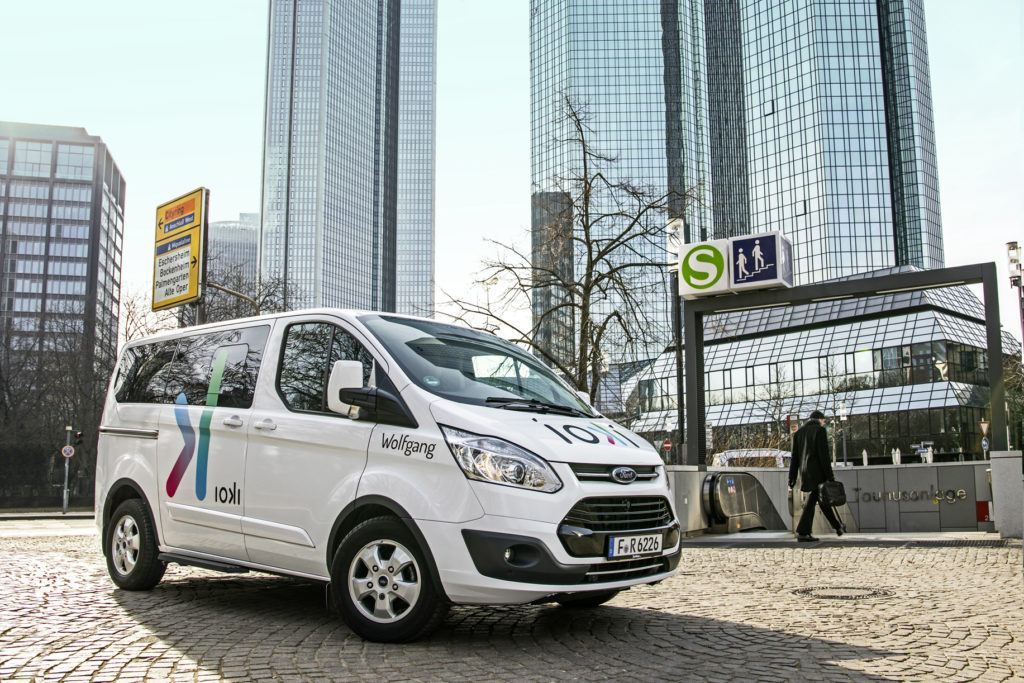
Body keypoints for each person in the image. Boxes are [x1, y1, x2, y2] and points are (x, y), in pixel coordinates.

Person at [788, 409, 845, 542]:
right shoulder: (819, 431)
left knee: (821, 500)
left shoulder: (799, 433)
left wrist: (792, 477)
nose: (824, 424)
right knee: (813, 500)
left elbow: (795, 458)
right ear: (820, 420)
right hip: (818, 473)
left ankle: (837, 527)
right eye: (823, 421)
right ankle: (803, 531)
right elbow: (823, 456)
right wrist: (830, 476)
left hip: (805, 474)